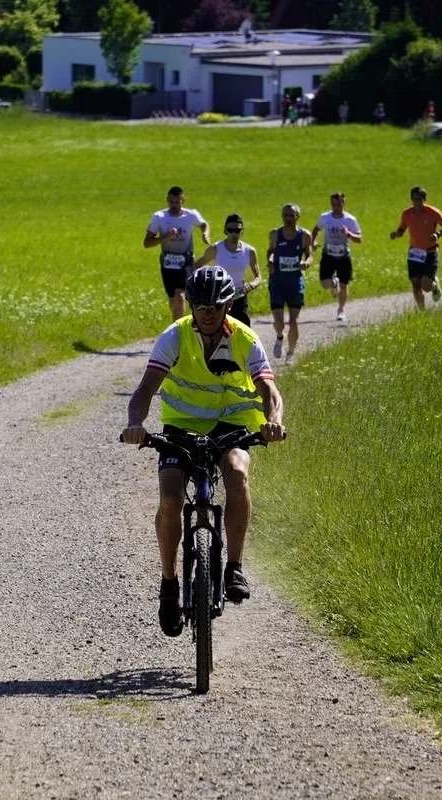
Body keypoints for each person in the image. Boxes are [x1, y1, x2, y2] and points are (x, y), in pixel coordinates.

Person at [121, 266, 285, 637]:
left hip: (235, 421)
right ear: (190, 306)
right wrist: (135, 423)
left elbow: (269, 391)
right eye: (200, 307)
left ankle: (234, 568)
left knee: (238, 473)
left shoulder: (244, 338)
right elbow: (145, 389)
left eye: (215, 306)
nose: (208, 314)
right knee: (170, 499)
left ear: (228, 304)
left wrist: (272, 420)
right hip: (182, 424)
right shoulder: (174, 337)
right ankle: (169, 583)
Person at [144, 186, 210, 322]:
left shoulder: (191, 215)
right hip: (168, 261)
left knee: (180, 296)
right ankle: (179, 320)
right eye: (171, 202)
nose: (174, 205)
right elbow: (147, 243)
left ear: (183, 201)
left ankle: (177, 331)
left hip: (186, 261)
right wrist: (165, 238)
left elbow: (204, 224)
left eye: (177, 202)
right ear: (167, 200)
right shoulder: (159, 217)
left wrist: (205, 234)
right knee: (173, 299)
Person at [390, 186, 442, 311]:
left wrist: (437, 234)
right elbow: (402, 229)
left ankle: (434, 285)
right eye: (414, 199)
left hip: (430, 252)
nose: (416, 203)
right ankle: (422, 312)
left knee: (426, 286)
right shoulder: (407, 213)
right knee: (415, 284)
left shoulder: (432, 212)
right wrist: (396, 234)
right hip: (415, 253)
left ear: (424, 199)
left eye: (419, 199)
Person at [194, 214, 262, 326]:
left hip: (239, 298)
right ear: (225, 231)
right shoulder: (215, 249)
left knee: (244, 333)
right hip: (219, 299)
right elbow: (197, 265)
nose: (234, 234)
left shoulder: (249, 251)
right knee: (220, 333)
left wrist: (251, 285)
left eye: (237, 230)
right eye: (230, 230)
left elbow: (258, 278)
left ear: (242, 231)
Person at [266, 203, 312, 357]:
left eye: (291, 215)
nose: (288, 218)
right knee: (279, 323)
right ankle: (280, 337)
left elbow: (310, 255)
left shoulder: (304, 236)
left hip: (294, 284)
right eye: (285, 215)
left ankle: (291, 353)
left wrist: (306, 263)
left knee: (293, 321)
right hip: (277, 282)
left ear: (298, 217)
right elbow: (270, 252)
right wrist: (271, 262)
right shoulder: (275, 234)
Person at [310, 192, 362, 322]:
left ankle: (341, 310)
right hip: (328, 255)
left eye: (338, 204)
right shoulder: (325, 217)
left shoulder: (350, 220)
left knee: (344, 285)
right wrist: (313, 242)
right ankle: (334, 282)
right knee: (324, 284)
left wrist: (348, 234)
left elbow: (359, 238)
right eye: (333, 204)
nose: (336, 207)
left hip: (344, 257)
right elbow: (316, 230)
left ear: (343, 204)